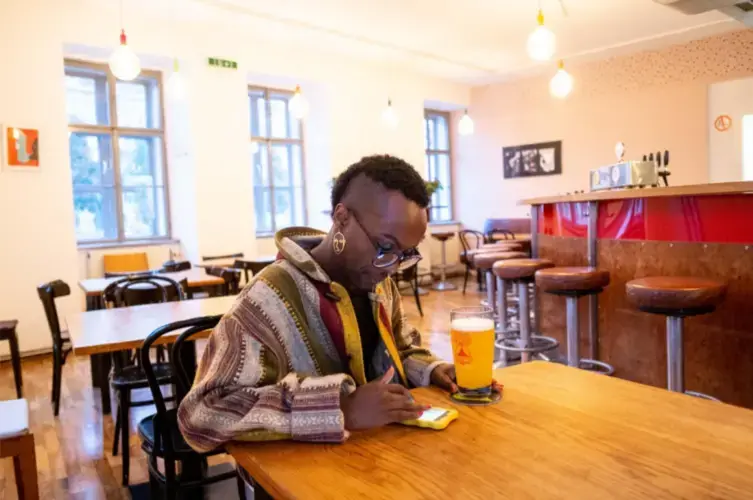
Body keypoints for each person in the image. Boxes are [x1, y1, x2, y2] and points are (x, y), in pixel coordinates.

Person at [178, 154, 459, 452]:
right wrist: (341, 408)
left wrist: (432, 369)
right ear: (341, 218)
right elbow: (203, 413)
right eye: (386, 247)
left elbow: (400, 350)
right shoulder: (268, 296)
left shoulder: (380, 285)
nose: (391, 267)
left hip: (377, 460)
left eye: (405, 254)